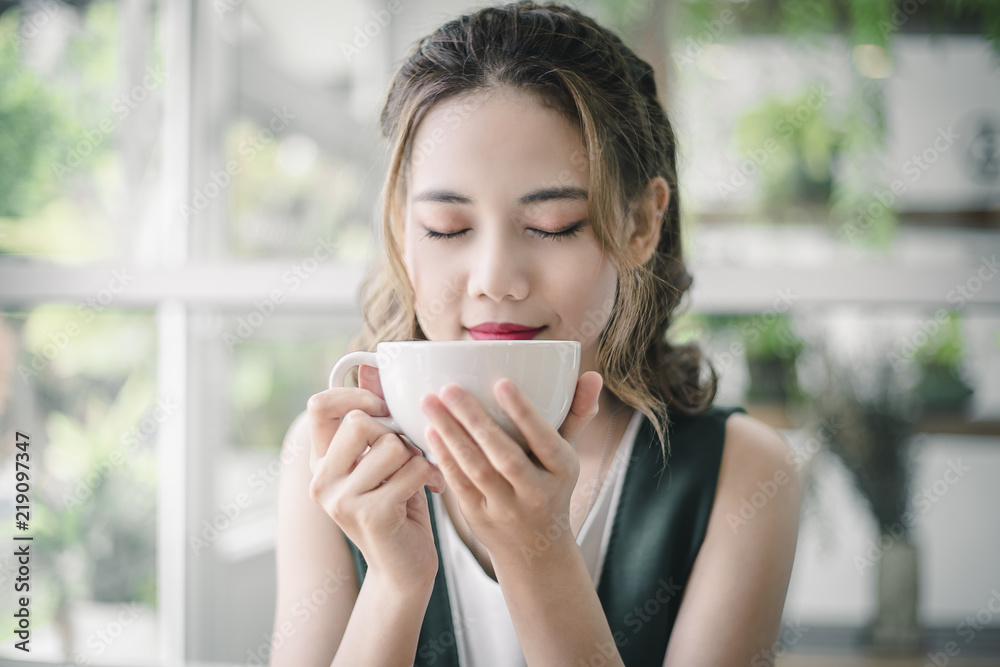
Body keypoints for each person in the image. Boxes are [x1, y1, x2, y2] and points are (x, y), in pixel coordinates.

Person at [271, 2, 802, 665]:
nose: (496, 279)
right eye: (447, 227)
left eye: (552, 225)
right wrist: (394, 586)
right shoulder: (331, 460)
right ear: (403, 232)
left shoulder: (742, 472)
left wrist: (539, 554)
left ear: (641, 224)